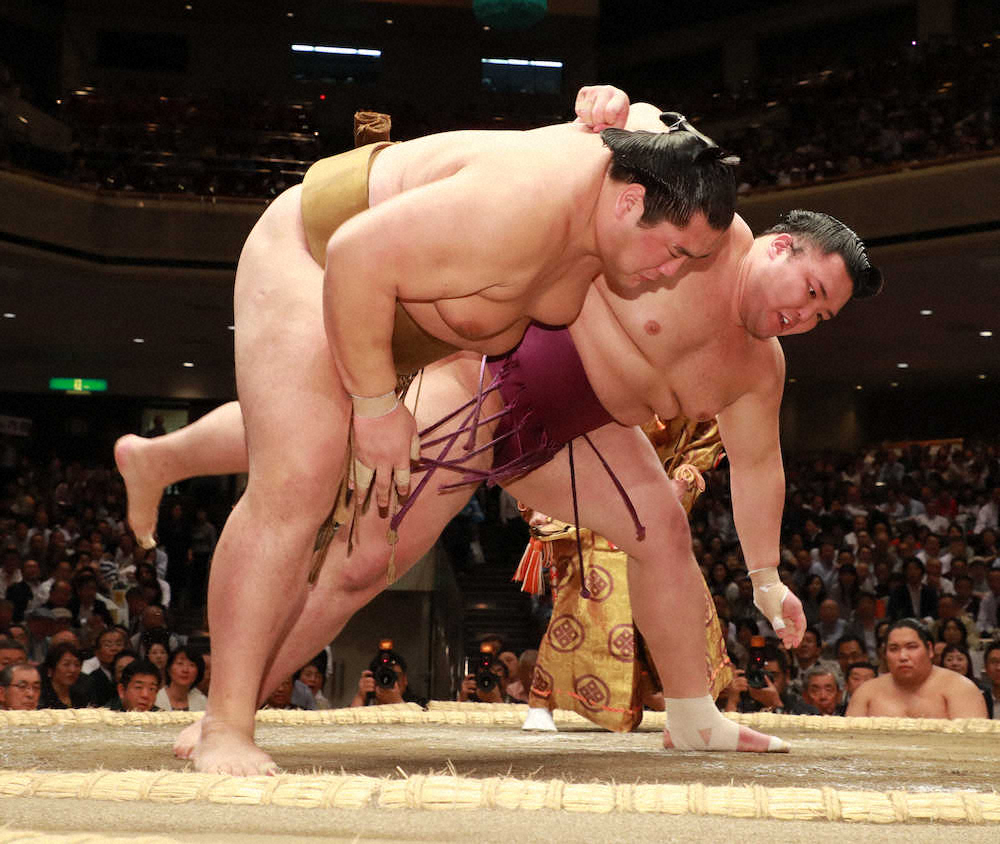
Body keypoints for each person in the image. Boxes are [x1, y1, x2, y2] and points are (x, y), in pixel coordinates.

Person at [129, 92, 880, 773]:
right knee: (347, 537)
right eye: (810, 292)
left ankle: (692, 715)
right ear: (779, 247)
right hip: (484, 370)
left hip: (569, 426)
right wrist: (609, 104)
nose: (805, 317)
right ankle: (232, 710)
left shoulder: (751, 354)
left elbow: (757, 469)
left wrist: (766, 579)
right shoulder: (689, 223)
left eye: (823, 315)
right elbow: (653, 132)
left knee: (661, 529)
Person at [846, 619, 987, 718]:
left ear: (930, 649)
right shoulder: (866, 693)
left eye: (911, 647)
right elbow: (850, 747)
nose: (902, 656)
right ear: (885, 654)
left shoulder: (960, 689)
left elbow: (972, 749)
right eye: (894, 649)